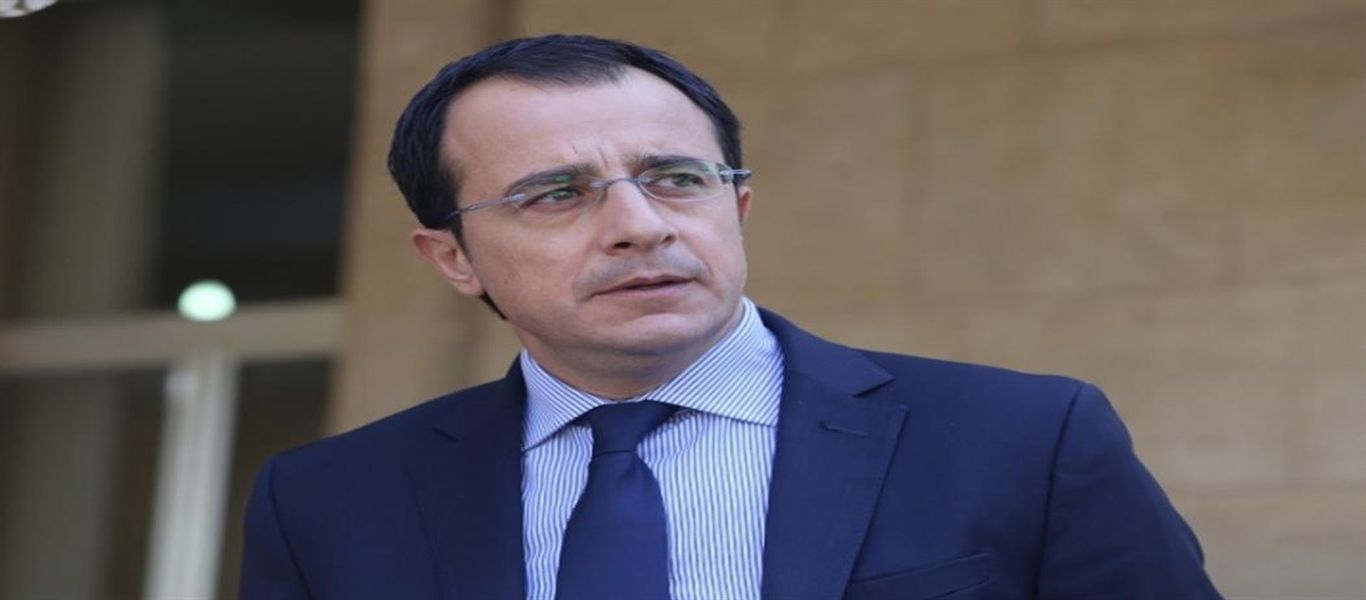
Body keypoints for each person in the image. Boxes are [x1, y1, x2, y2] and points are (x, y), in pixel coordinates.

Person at [240, 34, 1222, 599]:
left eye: (677, 178)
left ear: (737, 205)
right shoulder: (329, 502)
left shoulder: (1024, 441)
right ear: (452, 257)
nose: (639, 225)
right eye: (557, 194)